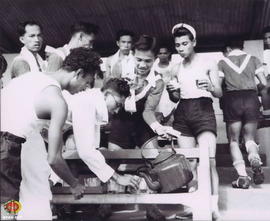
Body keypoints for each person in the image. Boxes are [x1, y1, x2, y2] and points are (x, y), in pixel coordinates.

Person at [0, 47, 100, 220]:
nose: (85, 88)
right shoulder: (58, 102)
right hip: (6, 150)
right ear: (78, 73)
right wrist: (74, 184)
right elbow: (54, 159)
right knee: (9, 211)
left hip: (9, 144)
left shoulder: (28, 78)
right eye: (87, 82)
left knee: (10, 207)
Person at [167, 23, 223, 219]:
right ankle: (191, 208)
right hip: (183, 113)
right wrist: (171, 92)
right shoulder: (174, 69)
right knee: (188, 163)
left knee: (209, 160)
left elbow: (219, 92)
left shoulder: (209, 63)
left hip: (204, 110)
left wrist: (210, 86)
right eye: (178, 45)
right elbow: (175, 99)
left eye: (185, 43)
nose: (181, 48)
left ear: (194, 42)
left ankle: (214, 207)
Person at [218, 40, 267, 189]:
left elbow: (219, 86)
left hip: (232, 100)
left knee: (233, 141)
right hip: (251, 98)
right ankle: (254, 158)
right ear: (242, 46)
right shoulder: (253, 59)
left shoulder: (222, 62)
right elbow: (264, 83)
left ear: (228, 48)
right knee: (249, 139)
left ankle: (243, 177)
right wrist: (249, 86)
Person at [258, 26, 270, 117]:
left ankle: (267, 112)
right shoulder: (265, 53)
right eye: (265, 38)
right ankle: (266, 112)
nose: (267, 40)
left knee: (264, 89)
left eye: (269, 37)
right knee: (259, 88)